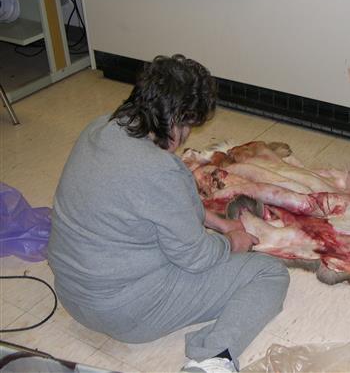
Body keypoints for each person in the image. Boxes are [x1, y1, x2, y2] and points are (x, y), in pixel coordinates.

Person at [48, 54, 290, 372]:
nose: (188, 134)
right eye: (189, 124)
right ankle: (212, 359)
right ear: (177, 119)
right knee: (268, 273)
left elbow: (159, 202)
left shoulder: (101, 127)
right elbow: (197, 258)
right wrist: (233, 242)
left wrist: (220, 222)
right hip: (124, 312)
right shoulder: (160, 170)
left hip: (70, 291)